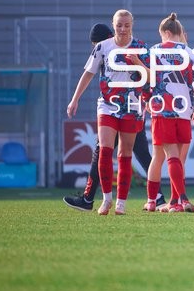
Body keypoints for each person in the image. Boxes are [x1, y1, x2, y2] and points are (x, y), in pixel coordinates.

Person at [63, 22, 162, 212]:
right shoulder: (104, 48)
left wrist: (147, 99)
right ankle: (154, 196)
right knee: (127, 153)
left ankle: (90, 198)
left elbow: (150, 79)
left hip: (132, 107)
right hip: (115, 107)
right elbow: (89, 73)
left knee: (111, 153)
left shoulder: (137, 48)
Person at [138, 13, 194, 214]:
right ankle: (173, 200)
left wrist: (146, 100)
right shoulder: (191, 53)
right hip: (184, 111)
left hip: (162, 109)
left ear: (166, 33)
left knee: (162, 156)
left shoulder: (154, 51)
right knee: (171, 156)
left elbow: (143, 78)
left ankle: (169, 200)